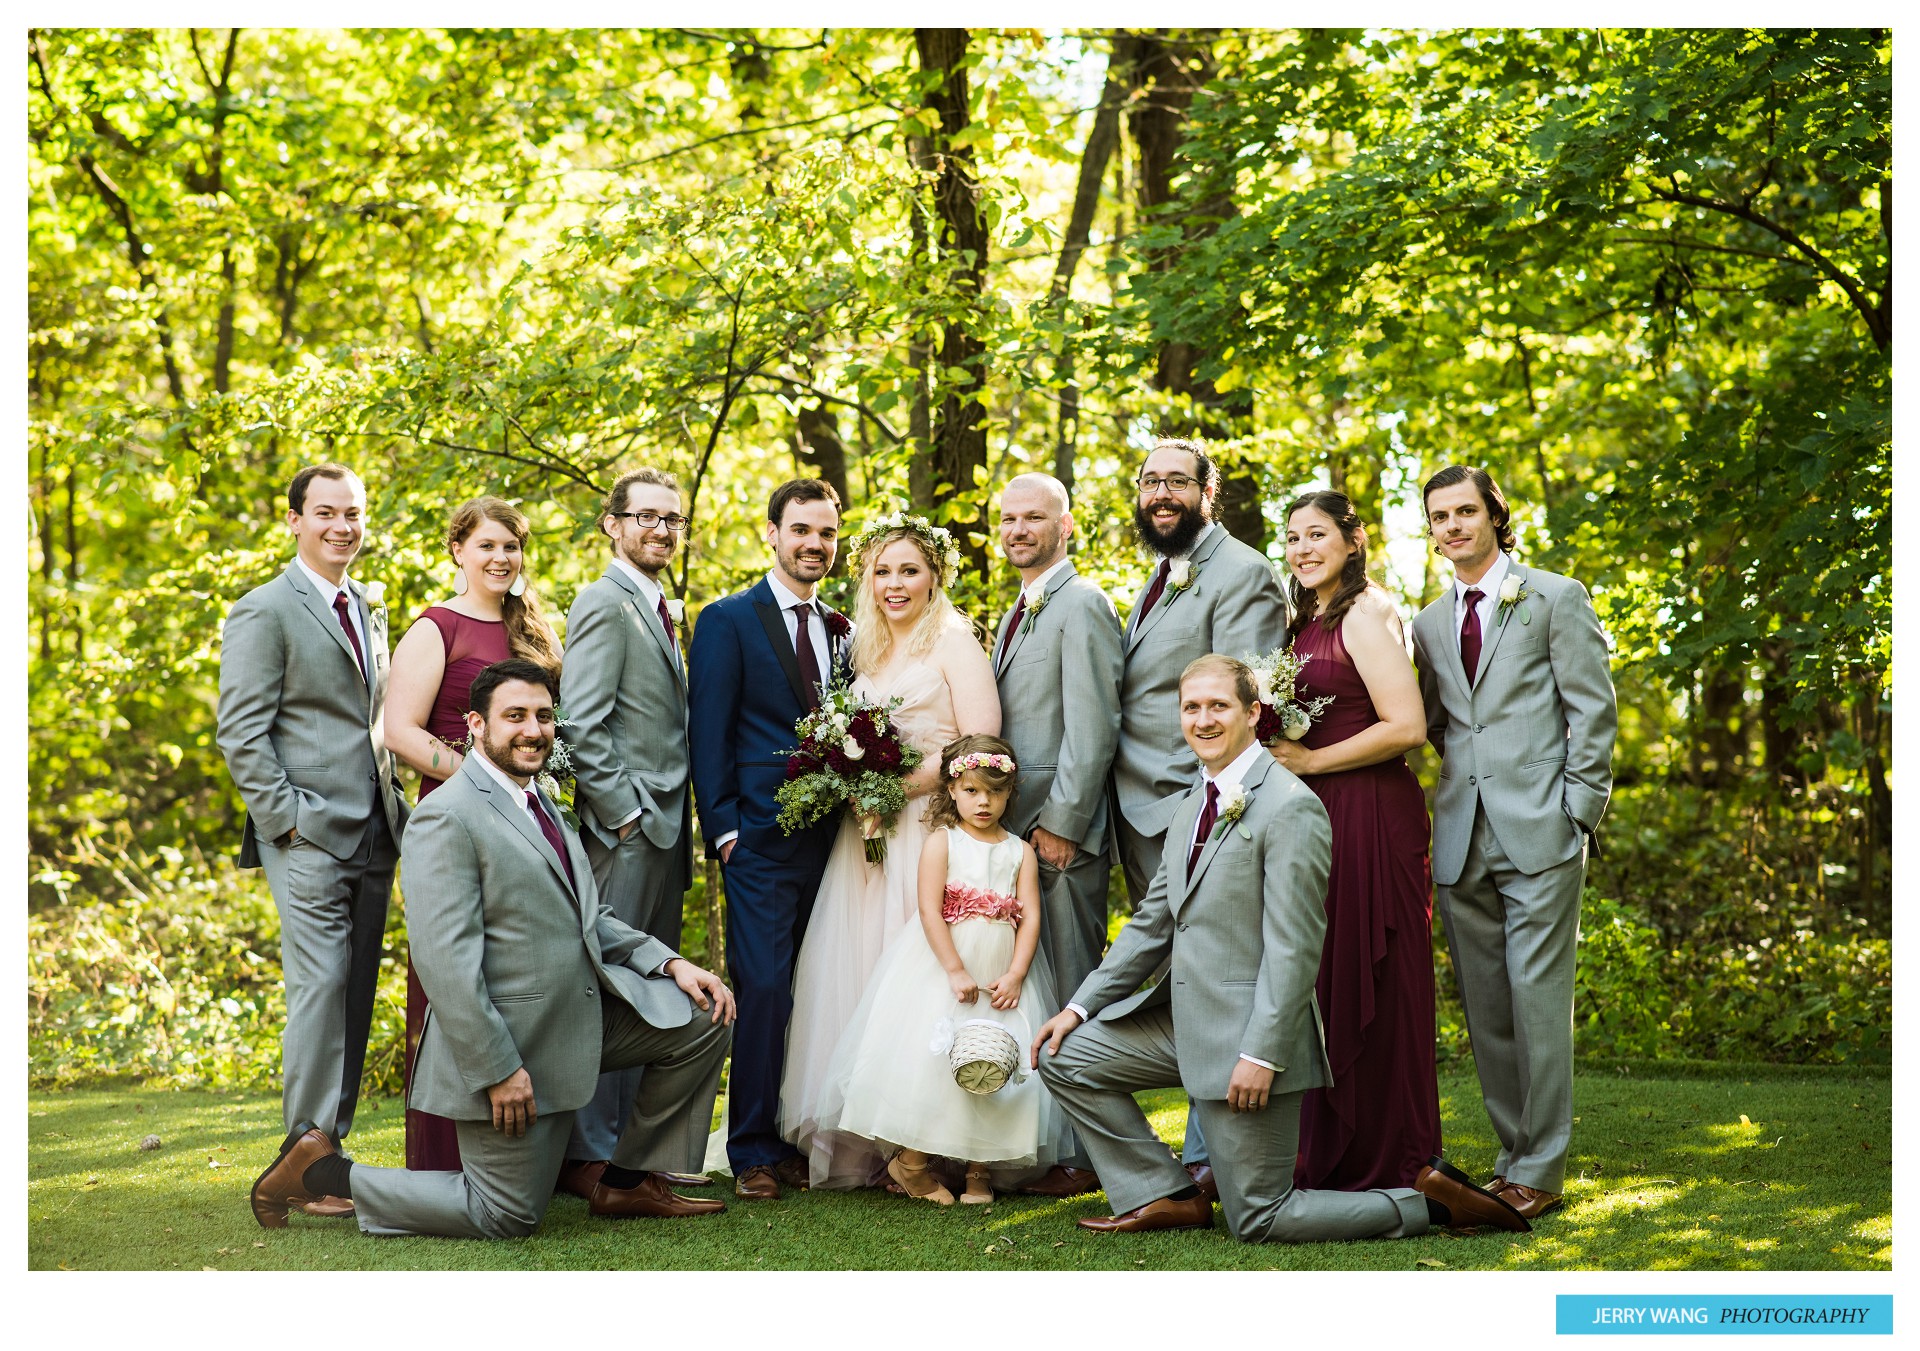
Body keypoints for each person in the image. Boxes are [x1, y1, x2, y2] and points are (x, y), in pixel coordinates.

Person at [1031, 656, 1528, 1243]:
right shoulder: (1194, 801)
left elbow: (1295, 947)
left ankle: (1433, 1206)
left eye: (1219, 705)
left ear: (1253, 713)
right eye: (1191, 707)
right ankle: (1164, 1193)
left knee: (1260, 1218)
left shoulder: (1290, 806)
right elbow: (1151, 925)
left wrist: (1263, 1055)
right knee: (1065, 1056)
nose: (1203, 719)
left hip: (1249, 1042)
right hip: (1182, 1023)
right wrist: (1078, 1008)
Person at [249, 659, 735, 1237]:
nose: (534, 730)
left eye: (544, 716)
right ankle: (321, 1171)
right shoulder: (445, 817)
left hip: (580, 1017)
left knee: (707, 1016)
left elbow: (588, 917)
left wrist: (671, 963)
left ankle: (626, 1183)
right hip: (513, 1047)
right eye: (516, 717)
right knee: (504, 1214)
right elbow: (444, 962)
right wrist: (499, 1069)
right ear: (477, 725)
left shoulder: (543, 804)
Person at [1410, 465, 1617, 1222]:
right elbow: (1437, 721)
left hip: (1542, 826)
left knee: (1537, 1000)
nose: (1454, 525)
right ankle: (1511, 1156)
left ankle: (1544, 1165)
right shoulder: (1430, 622)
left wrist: (1578, 812)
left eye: (1466, 511)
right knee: (1488, 1006)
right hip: (1462, 832)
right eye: (1440, 515)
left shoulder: (1556, 596)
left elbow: (1592, 710)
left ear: (1496, 516)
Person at [778, 510, 1000, 1190]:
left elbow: (980, 742)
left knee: (929, 976)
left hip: (928, 832)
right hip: (866, 839)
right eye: (883, 571)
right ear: (866, 578)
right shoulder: (864, 650)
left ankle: (935, 1137)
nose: (895, 583)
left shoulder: (955, 641)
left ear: (936, 575)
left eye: (909, 570)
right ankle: (880, 1141)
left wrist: (894, 788)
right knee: (864, 974)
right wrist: (850, 786)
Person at [217, 462, 409, 1219]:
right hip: (306, 836)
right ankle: (304, 1149)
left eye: (354, 513)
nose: (342, 526)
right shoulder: (264, 608)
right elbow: (241, 730)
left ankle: (327, 1157)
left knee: (355, 993)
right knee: (321, 988)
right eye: (325, 512)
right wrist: (288, 821)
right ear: (293, 519)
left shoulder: (370, 603)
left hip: (374, 830)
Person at [1108, 436, 1289, 1185]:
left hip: (1195, 809)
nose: (1161, 493)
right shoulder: (1162, 574)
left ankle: (1220, 1160)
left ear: (1208, 494)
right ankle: (1202, 1152)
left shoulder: (1242, 573)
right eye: (1151, 480)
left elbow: (1235, 710)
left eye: (1177, 481)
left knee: (1215, 977)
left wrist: (1203, 809)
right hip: (1142, 810)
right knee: (1185, 977)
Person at [1265, 491, 1440, 1192]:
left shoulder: (1366, 612)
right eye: (1293, 537)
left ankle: (1388, 1153)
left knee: (1375, 977)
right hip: (1321, 811)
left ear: (1353, 539)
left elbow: (1407, 725)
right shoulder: (1306, 617)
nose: (1303, 548)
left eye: (1317, 534)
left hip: (1369, 808)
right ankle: (1325, 1150)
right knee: (1321, 973)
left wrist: (1309, 762)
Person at [383, 495, 563, 1173]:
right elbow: (400, 730)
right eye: (486, 545)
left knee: (524, 968)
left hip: (527, 817)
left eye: (511, 546)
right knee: (455, 967)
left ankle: (523, 1153)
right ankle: (442, 1160)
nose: (500, 558)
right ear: (457, 549)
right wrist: (479, 779)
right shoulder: (437, 627)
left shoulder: (535, 632)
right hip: (457, 815)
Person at [812, 735, 1070, 1206]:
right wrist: (953, 969)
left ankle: (979, 1170)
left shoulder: (1020, 851)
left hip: (1001, 978)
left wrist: (1015, 974)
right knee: (933, 1063)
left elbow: (1030, 914)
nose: (984, 801)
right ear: (952, 790)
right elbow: (929, 910)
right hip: (945, 971)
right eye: (972, 790)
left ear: (1010, 793)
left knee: (994, 1060)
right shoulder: (942, 843)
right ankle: (910, 1162)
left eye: (994, 792)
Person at [687, 479, 853, 1200]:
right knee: (763, 988)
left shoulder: (844, 628)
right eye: (802, 530)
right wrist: (723, 827)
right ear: (773, 533)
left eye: (826, 533)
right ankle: (751, 1145)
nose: (814, 544)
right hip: (756, 835)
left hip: (838, 841)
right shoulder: (728, 619)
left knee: (819, 990)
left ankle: (795, 1135)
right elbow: (708, 729)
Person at [553, 467, 707, 1198]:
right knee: (614, 988)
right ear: (611, 524)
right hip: (628, 831)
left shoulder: (660, 605)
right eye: (645, 516)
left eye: (671, 519)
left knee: (650, 990)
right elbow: (580, 720)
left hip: (667, 829)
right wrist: (625, 815)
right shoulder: (603, 601)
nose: (660, 529)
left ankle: (632, 1159)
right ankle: (593, 1155)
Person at [991, 473, 1121, 1198]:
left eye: (1033, 518)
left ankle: (1083, 1155)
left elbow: (1093, 725)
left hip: (1060, 837)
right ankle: (1045, 1140)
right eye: (1008, 519)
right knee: (1038, 988)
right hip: (1016, 835)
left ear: (1065, 525)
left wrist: (1063, 825)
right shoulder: (1019, 608)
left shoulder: (1084, 604)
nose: (1018, 529)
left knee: (1074, 986)